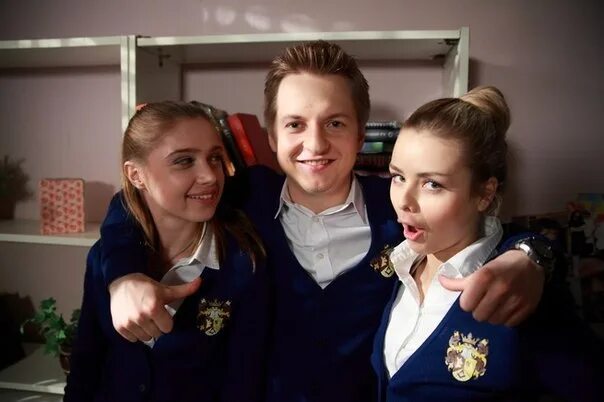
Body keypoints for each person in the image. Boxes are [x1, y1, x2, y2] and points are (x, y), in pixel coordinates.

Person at [99, 42, 549, 402]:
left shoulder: (398, 207)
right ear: (271, 135)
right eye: (295, 124)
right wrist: (124, 277)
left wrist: (530, 255)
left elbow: (486, 229)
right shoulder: (244, 199)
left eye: (334, 123)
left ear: (360, 133)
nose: (315, 144)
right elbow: (136, 199)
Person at [371, 86, 604, 401]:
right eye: (398, 177)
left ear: (484, 194)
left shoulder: (518, 291)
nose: (404, 201)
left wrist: (533, 257)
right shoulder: (394, 263)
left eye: (432, 184)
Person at [64, 101, 269, 402]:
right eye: (184, 161)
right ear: (136, 175)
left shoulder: (243, 263)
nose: (210, 176)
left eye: (214, 158)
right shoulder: (105, 256)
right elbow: (87, 363)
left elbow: (244, 380)